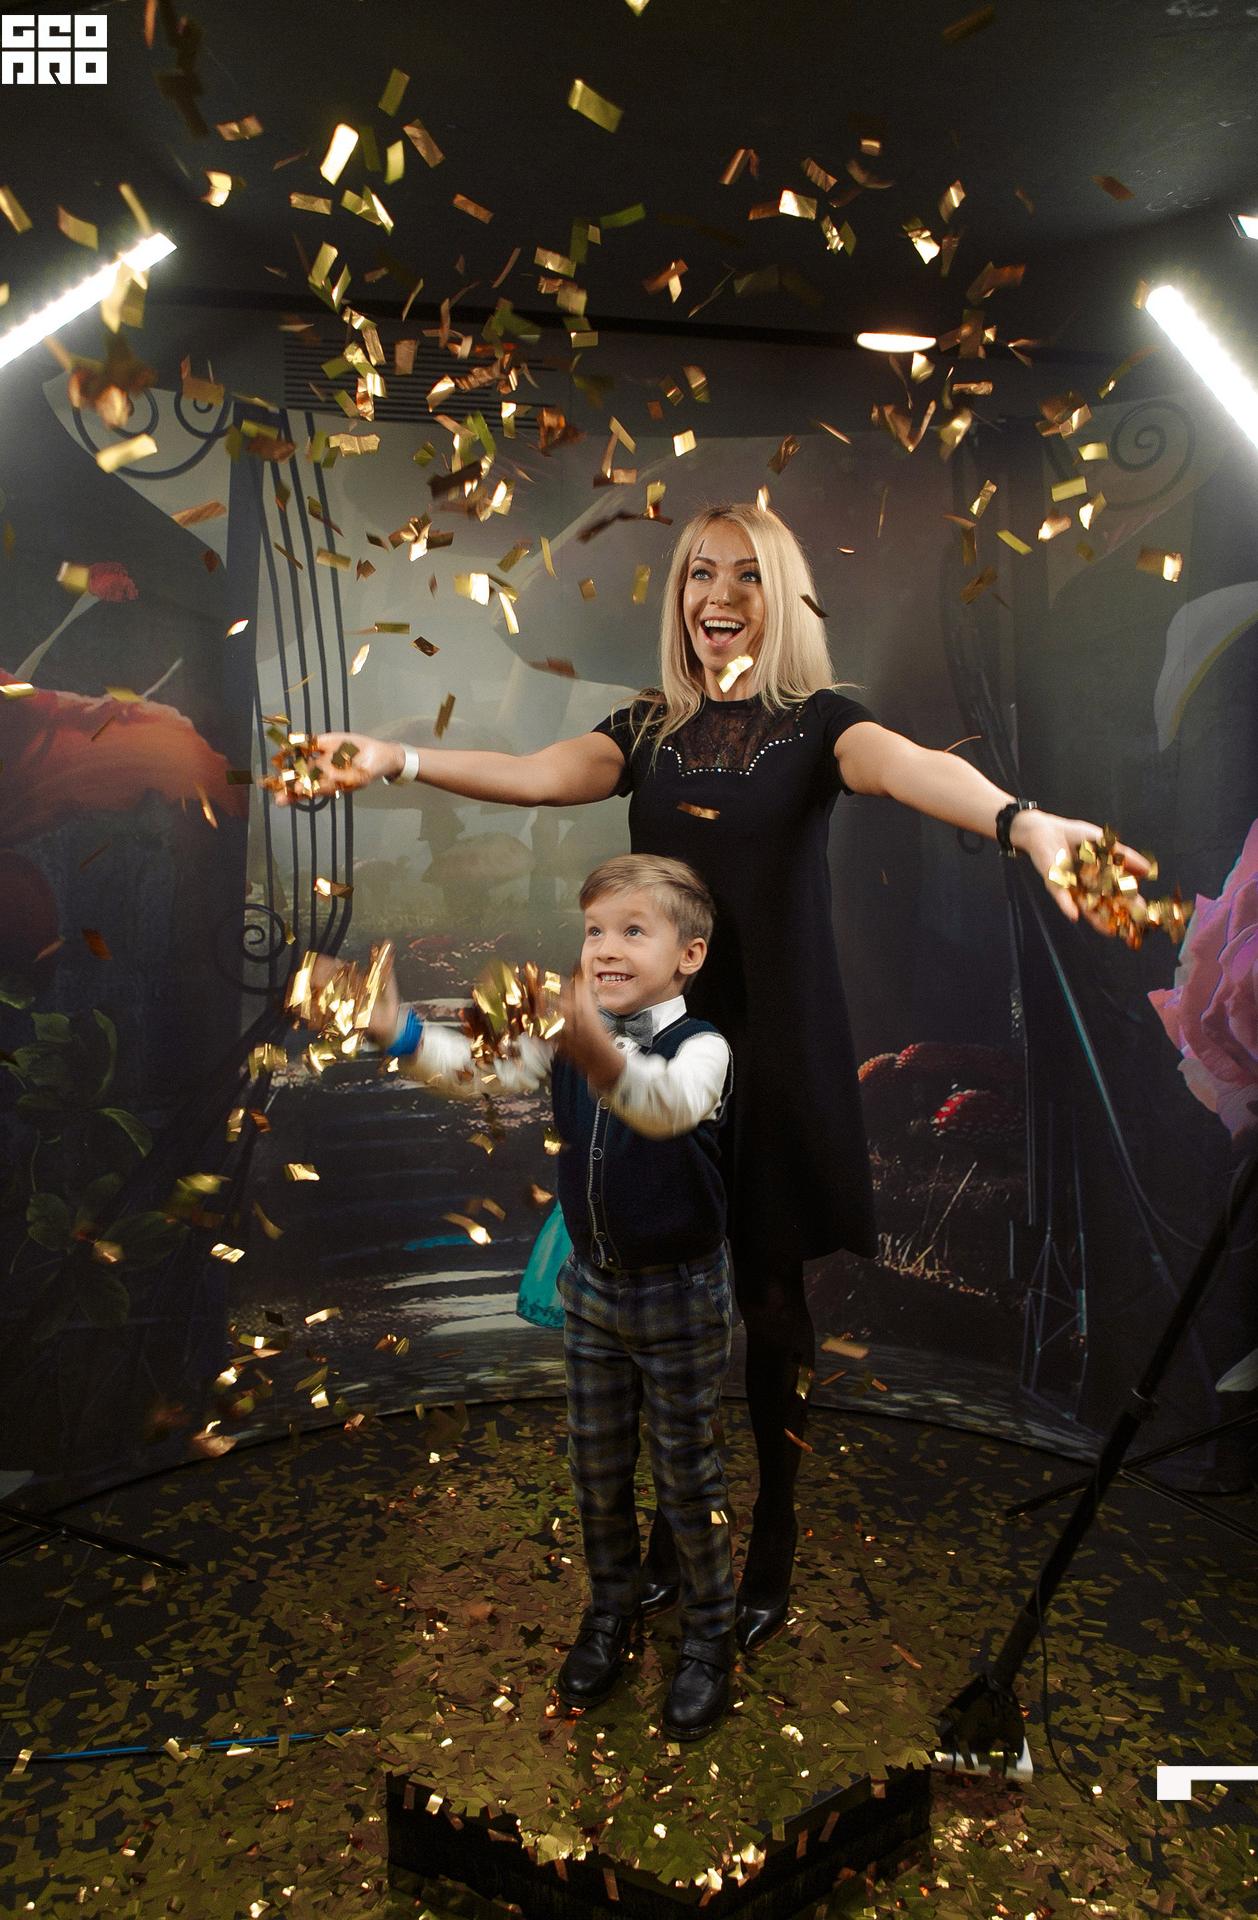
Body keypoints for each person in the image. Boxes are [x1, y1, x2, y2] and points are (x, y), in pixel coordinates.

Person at [272, 501, 1149, 1656]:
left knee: (770, 1303)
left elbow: (908, 771)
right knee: (661, 1295)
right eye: (697, 573)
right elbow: (535, 776)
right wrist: (393, 757)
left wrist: (1022, 825)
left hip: (776, 1050)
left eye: (743, 574)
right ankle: (671, 1531)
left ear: (779, 598)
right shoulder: (644, 729)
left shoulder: (823, 726)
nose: (716, 594)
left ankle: (771, 1531)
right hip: (663, 1043)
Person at [345, 853, 739, 1740]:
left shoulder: (703, 1049)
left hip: (680, 1296)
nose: (605, 948)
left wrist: (590, 1041)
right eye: (594, 930)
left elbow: (664, 1107)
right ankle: (612, 1613)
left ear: (690, 955)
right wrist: (398, 1031)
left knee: (687, 1476)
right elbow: (476, 1070)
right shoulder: (570, 1035)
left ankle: (709, 1639)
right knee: (596, 1471)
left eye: (632, 930)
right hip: (594, 1290)